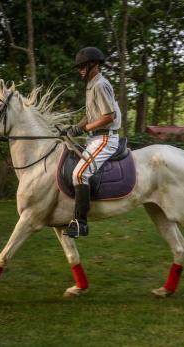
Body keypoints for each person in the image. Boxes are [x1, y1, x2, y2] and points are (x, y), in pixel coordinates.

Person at [64, 47, 121, 238]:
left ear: (94, 65)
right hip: (95, 137)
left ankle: (81, 223)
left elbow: (108, 116)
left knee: (79, 174)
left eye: (83, 66)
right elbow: (90, 117)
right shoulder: (91, 85)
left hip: (105, 138)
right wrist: (75, 127)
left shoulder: (100, 84)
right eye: (79, 66)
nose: (80, 69)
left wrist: (86, 128)